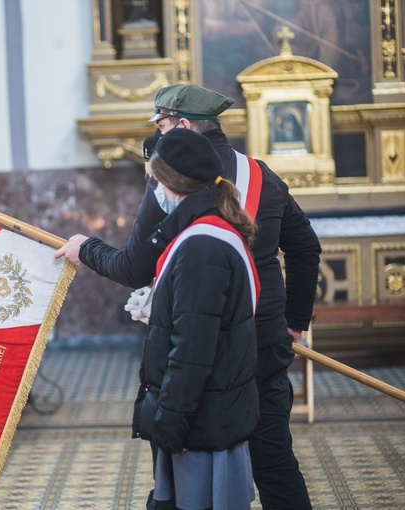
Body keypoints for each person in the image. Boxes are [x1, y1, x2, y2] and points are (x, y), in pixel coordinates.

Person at [55, 83, 321, 510]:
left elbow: (133, 267)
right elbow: (306, 248)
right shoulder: (260, 174)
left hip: (202, 356)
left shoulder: (173, 180)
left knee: (192, 473)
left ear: (181, 126)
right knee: (274, 465)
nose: (159, 136)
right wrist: (292, 321)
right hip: (263, 340)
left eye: (161, 125)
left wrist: (84, 248)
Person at [133, 128, 260, 510]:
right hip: (204, 413)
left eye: (156, 181)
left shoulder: (202, 245)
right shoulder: (207, 230)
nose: (155, 191)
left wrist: (170, 425)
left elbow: (192, 351)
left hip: (199, 422)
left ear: (173, 182)